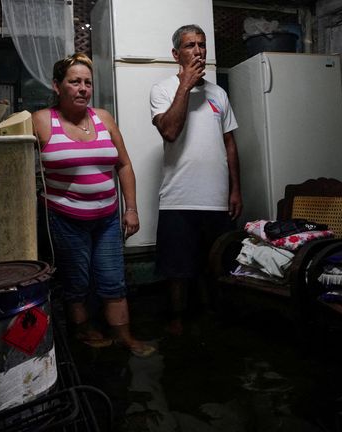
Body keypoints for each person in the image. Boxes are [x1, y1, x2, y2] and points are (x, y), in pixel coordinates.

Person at [33, 53, 155, 357]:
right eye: (74, 82)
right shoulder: (42, 121)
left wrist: (131, 208)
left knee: (113, 279)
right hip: (64, 218)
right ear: (57, 86)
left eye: (87, 82)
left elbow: (124, 165)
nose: (83, 88)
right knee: (77, 281)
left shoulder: (104, 118)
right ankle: (84, 332)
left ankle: (124, 336)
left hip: (107, 218)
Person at [150, 24, 242, 335]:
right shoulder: (163, 90)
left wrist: (235, 190)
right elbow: (170, 131)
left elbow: (230, 143)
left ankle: (213, 318)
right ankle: (177, 321)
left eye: (201, 45)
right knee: (177, 269)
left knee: (215, 263)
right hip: (179, 196)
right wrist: (185, 86)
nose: (198, 51)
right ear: (176, 54)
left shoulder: (219, 93)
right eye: (190, 45)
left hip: (216, 197)